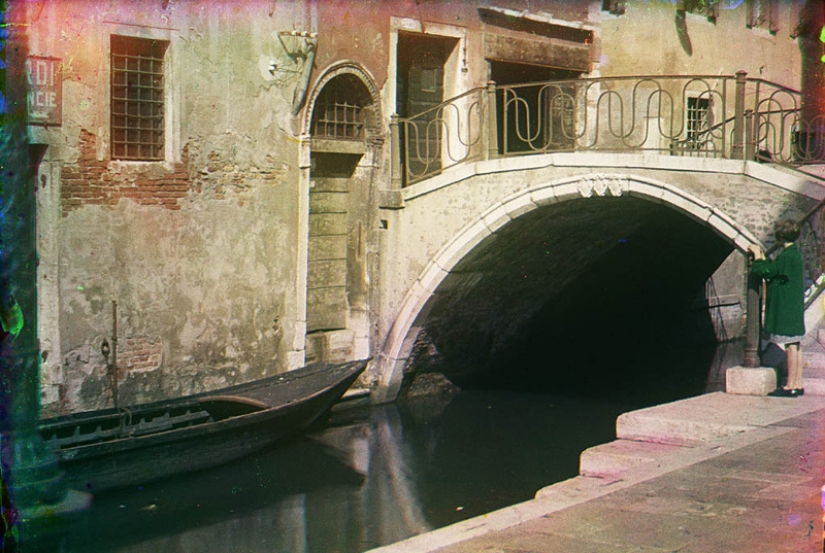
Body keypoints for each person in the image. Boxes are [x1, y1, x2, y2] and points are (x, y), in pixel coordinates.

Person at [748, 220, 805, 397]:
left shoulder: (785, 256)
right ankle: (798, 382)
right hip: (794, 306)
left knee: (789, 345)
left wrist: (758, 256)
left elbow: (767, 271)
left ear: (780, 237)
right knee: (795, 345)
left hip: (786, 307)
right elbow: (778, 271)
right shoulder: (795, 254)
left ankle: (790, 385)